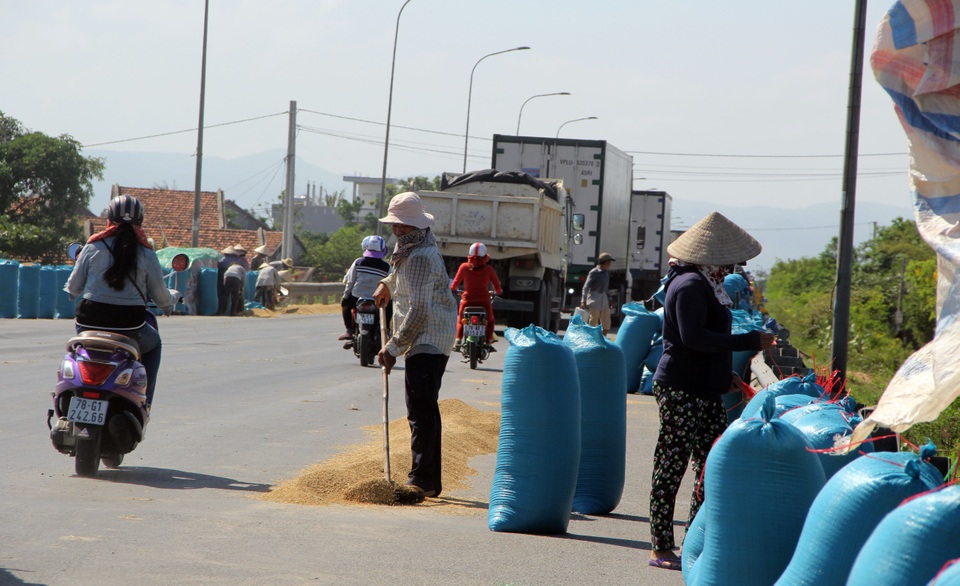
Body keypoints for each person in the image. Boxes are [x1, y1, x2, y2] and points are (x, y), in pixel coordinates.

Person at [647, 211, 775, 571]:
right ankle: (660, 545)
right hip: (681, 386)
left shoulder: (705, 285)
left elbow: (706, 342)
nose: (733, 267)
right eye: (729, 261)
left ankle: (694, 540)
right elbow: (694, 338)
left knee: (709, 466)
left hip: (705, 386)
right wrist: (748, 340)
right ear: (712, 259)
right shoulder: (689, 285)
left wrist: (726, 376)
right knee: (671, 464)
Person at [373, 192, 458, 498]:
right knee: (424, 409)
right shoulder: (411, 248)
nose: (397, 231)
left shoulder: (421, 256)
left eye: (403, 227)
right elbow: (398, 274)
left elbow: (419, 311)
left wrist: (392, 347)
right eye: (395, 225)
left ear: (416, 227)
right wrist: (385, 283)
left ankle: (422, 478)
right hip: (426, 335)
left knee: (420, 411)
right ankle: (428, 479)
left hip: (428, 336)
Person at [65, 194, 180, 407]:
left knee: (76, 350)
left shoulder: (92, 247)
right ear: (140, 222)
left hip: (88, 324)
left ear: (109, 218)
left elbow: (72, 290)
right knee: (154, 345)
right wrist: (170, 301)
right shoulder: (146, 253)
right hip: (130, 327)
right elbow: (161, 297)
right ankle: (145, 402)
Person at [339, 235, 392, 347]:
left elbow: (350, 282)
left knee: (345, 306)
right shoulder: (386, 267)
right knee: (389, 306)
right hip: (377, 299)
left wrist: (345, 297)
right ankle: (386, 330)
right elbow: (391, 283)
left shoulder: (358, 262)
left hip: (357, 297)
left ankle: (349, 330)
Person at [449, 241, 502, 351]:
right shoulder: (489, 270)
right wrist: (497, 292)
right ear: (485, 255)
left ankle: (458, 341)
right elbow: (497, 287)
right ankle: (487, 342)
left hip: (467, 301)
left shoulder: (464, 267)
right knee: (491, 321)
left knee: (461, 320)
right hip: (484, 302)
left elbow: (454, 285)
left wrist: (453, 290)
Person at [580, 252, 615, 335]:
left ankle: (602, 339)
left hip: (604, 300)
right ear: (604, 262)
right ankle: (590, 339)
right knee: (593, 321)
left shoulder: (606, 273)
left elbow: (606, 289)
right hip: (594, 299)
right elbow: (586, 287)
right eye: (609, 262)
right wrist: (583, 300)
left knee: (606, 323)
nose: (610, 264)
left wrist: (610, 300)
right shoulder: (594, 272)